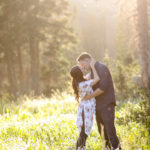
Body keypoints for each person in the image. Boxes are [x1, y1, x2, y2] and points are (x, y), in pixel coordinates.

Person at [77, 52, 121, 150]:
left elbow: (102, 88)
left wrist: (89, 97)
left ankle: (116, 147)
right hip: (98, 105)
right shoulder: (92, 72)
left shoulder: (101, 68)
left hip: (107, 104)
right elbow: (85, 83)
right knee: (101, 130)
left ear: (88, 60)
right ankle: (107, 148)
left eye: (83, 64)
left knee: (109, 129)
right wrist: (82, 71)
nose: (82, 66)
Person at [70, 59, 100, 150]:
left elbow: (89, 76)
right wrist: (93, 67)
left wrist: (90, 67)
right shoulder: (83, 84)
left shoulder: (81, 82)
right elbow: (97, 79)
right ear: (79, 73)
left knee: (84, 132)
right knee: (84, 132)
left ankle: (80, 147)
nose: (82, 67)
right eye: (80, 68)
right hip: (86, 110)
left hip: (85, 109)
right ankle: (79, 148)